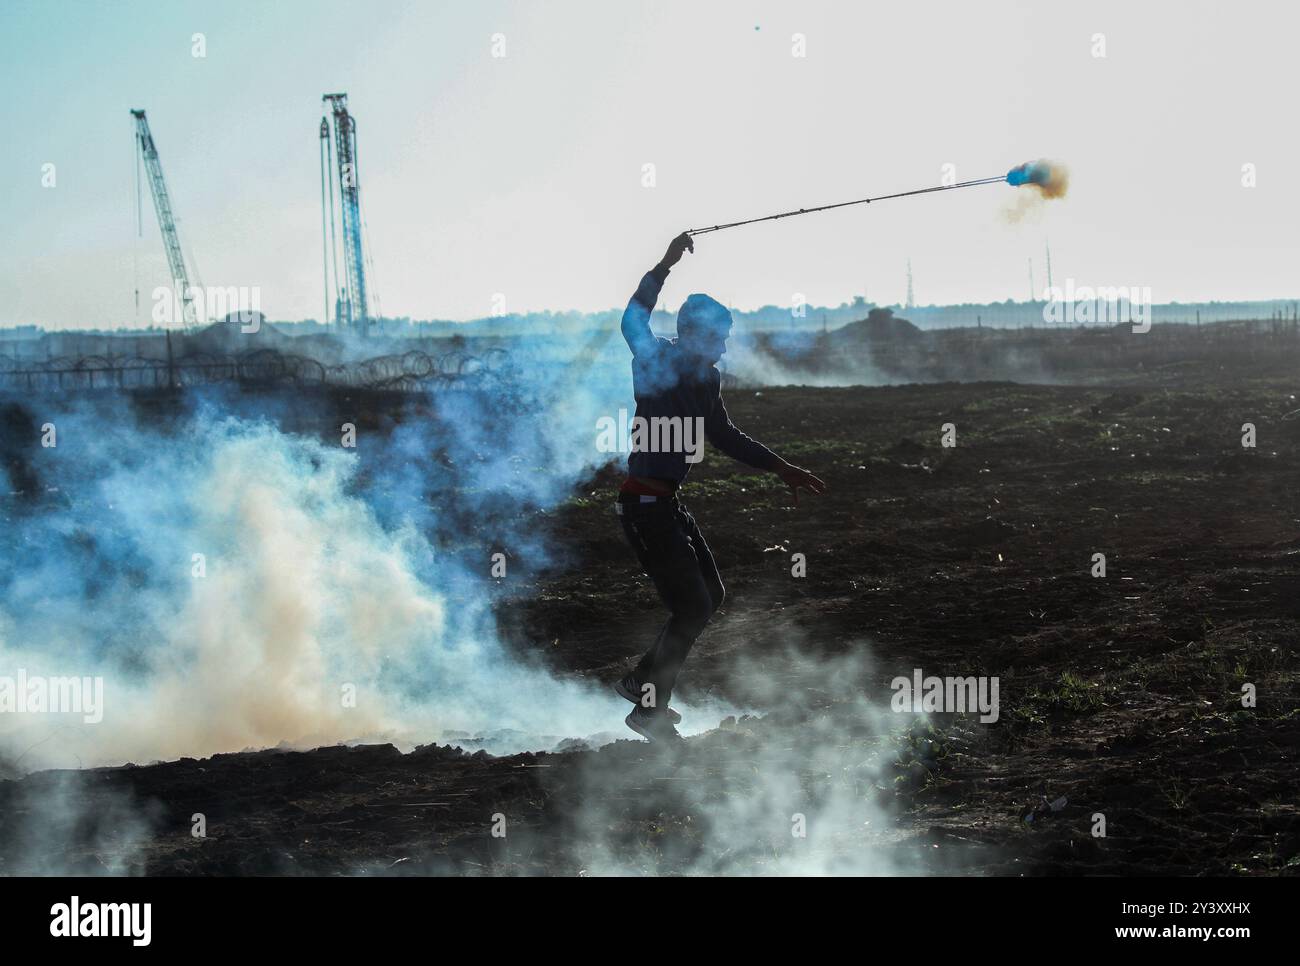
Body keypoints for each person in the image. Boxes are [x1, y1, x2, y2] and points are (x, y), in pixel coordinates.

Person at [614, 231, 827, 741]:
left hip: (668, 505)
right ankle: (647, 706)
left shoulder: (708, 381)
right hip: (644, 505)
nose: (725, 345)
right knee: (692, 606)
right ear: (691, 335)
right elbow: (631, 318)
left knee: (710, 593)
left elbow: (725, 435)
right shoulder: (654, 360)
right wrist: (665, 262)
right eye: (718, 337)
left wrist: (780, 467)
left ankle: (641, 683)